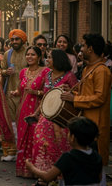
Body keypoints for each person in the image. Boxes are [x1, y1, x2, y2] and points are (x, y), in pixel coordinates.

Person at [61, 33, 111, 167]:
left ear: (90, 49)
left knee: (94, 164)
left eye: (83, 45)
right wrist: (71, 92)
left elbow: (99, 98)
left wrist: (74, 98)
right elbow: (86, 93)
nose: (81, 48)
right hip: (85, 121)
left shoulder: (102, 71)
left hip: (96, 123)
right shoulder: (88, 68)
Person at [30, 49, 78, 179]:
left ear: (58, 60)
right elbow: (46, 97)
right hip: (45, 117)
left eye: (50, 57)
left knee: (59, 145)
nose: (47, 60)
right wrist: (36, 113)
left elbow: (78, 94)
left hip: (61, 120)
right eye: (47, 57)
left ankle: (59, 176)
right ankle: (43, 176)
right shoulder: (48, 75)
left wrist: (72, 93)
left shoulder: (69, 76)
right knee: (41, 143)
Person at [26, 117, 104, 186]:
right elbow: (100, 179)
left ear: (72, 137)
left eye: (69, 132)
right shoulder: (96, 156)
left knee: (41, 183)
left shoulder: (68, 157)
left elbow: (47, 177)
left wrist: (31, 168)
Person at [10, 46, 49, 178]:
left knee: (35, 139)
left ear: (39, 57)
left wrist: (36, 92)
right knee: (23, 139)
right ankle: (23, 168)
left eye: (33, 55)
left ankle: (36, 170)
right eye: (28, 55)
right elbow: (20, 90)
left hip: (37, 111)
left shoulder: (45, 72)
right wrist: (15, 92)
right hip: (23, 110)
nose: (30, 57)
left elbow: (49, 93)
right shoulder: (23, 72)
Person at [0, 29, 28, 162]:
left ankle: (24, 151)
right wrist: (6, 71)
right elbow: (1, 70)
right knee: (11, 123)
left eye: (17, 39)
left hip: (27, 94)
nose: (14, 42)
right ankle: (12, 151)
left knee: (24, 123)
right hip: (10, 93)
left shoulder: (29, 52)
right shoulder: (7, 54)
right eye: (12, 39)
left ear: (23, 40)